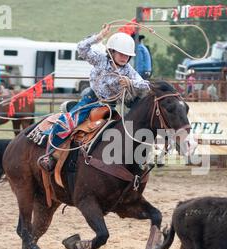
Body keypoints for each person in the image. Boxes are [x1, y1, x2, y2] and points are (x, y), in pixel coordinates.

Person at [38, 24, 151, 172]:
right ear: (111, 51)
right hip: (90, 100)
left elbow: (146, 85)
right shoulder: (100, 60)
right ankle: (50, 155)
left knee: (124, 131)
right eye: (121, 53)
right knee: (66, 123)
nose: (124, 58)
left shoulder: (129, 71)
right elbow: (81, 48)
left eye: (127, 55)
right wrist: (99, 37)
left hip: (109, 107)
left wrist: (131, 82)